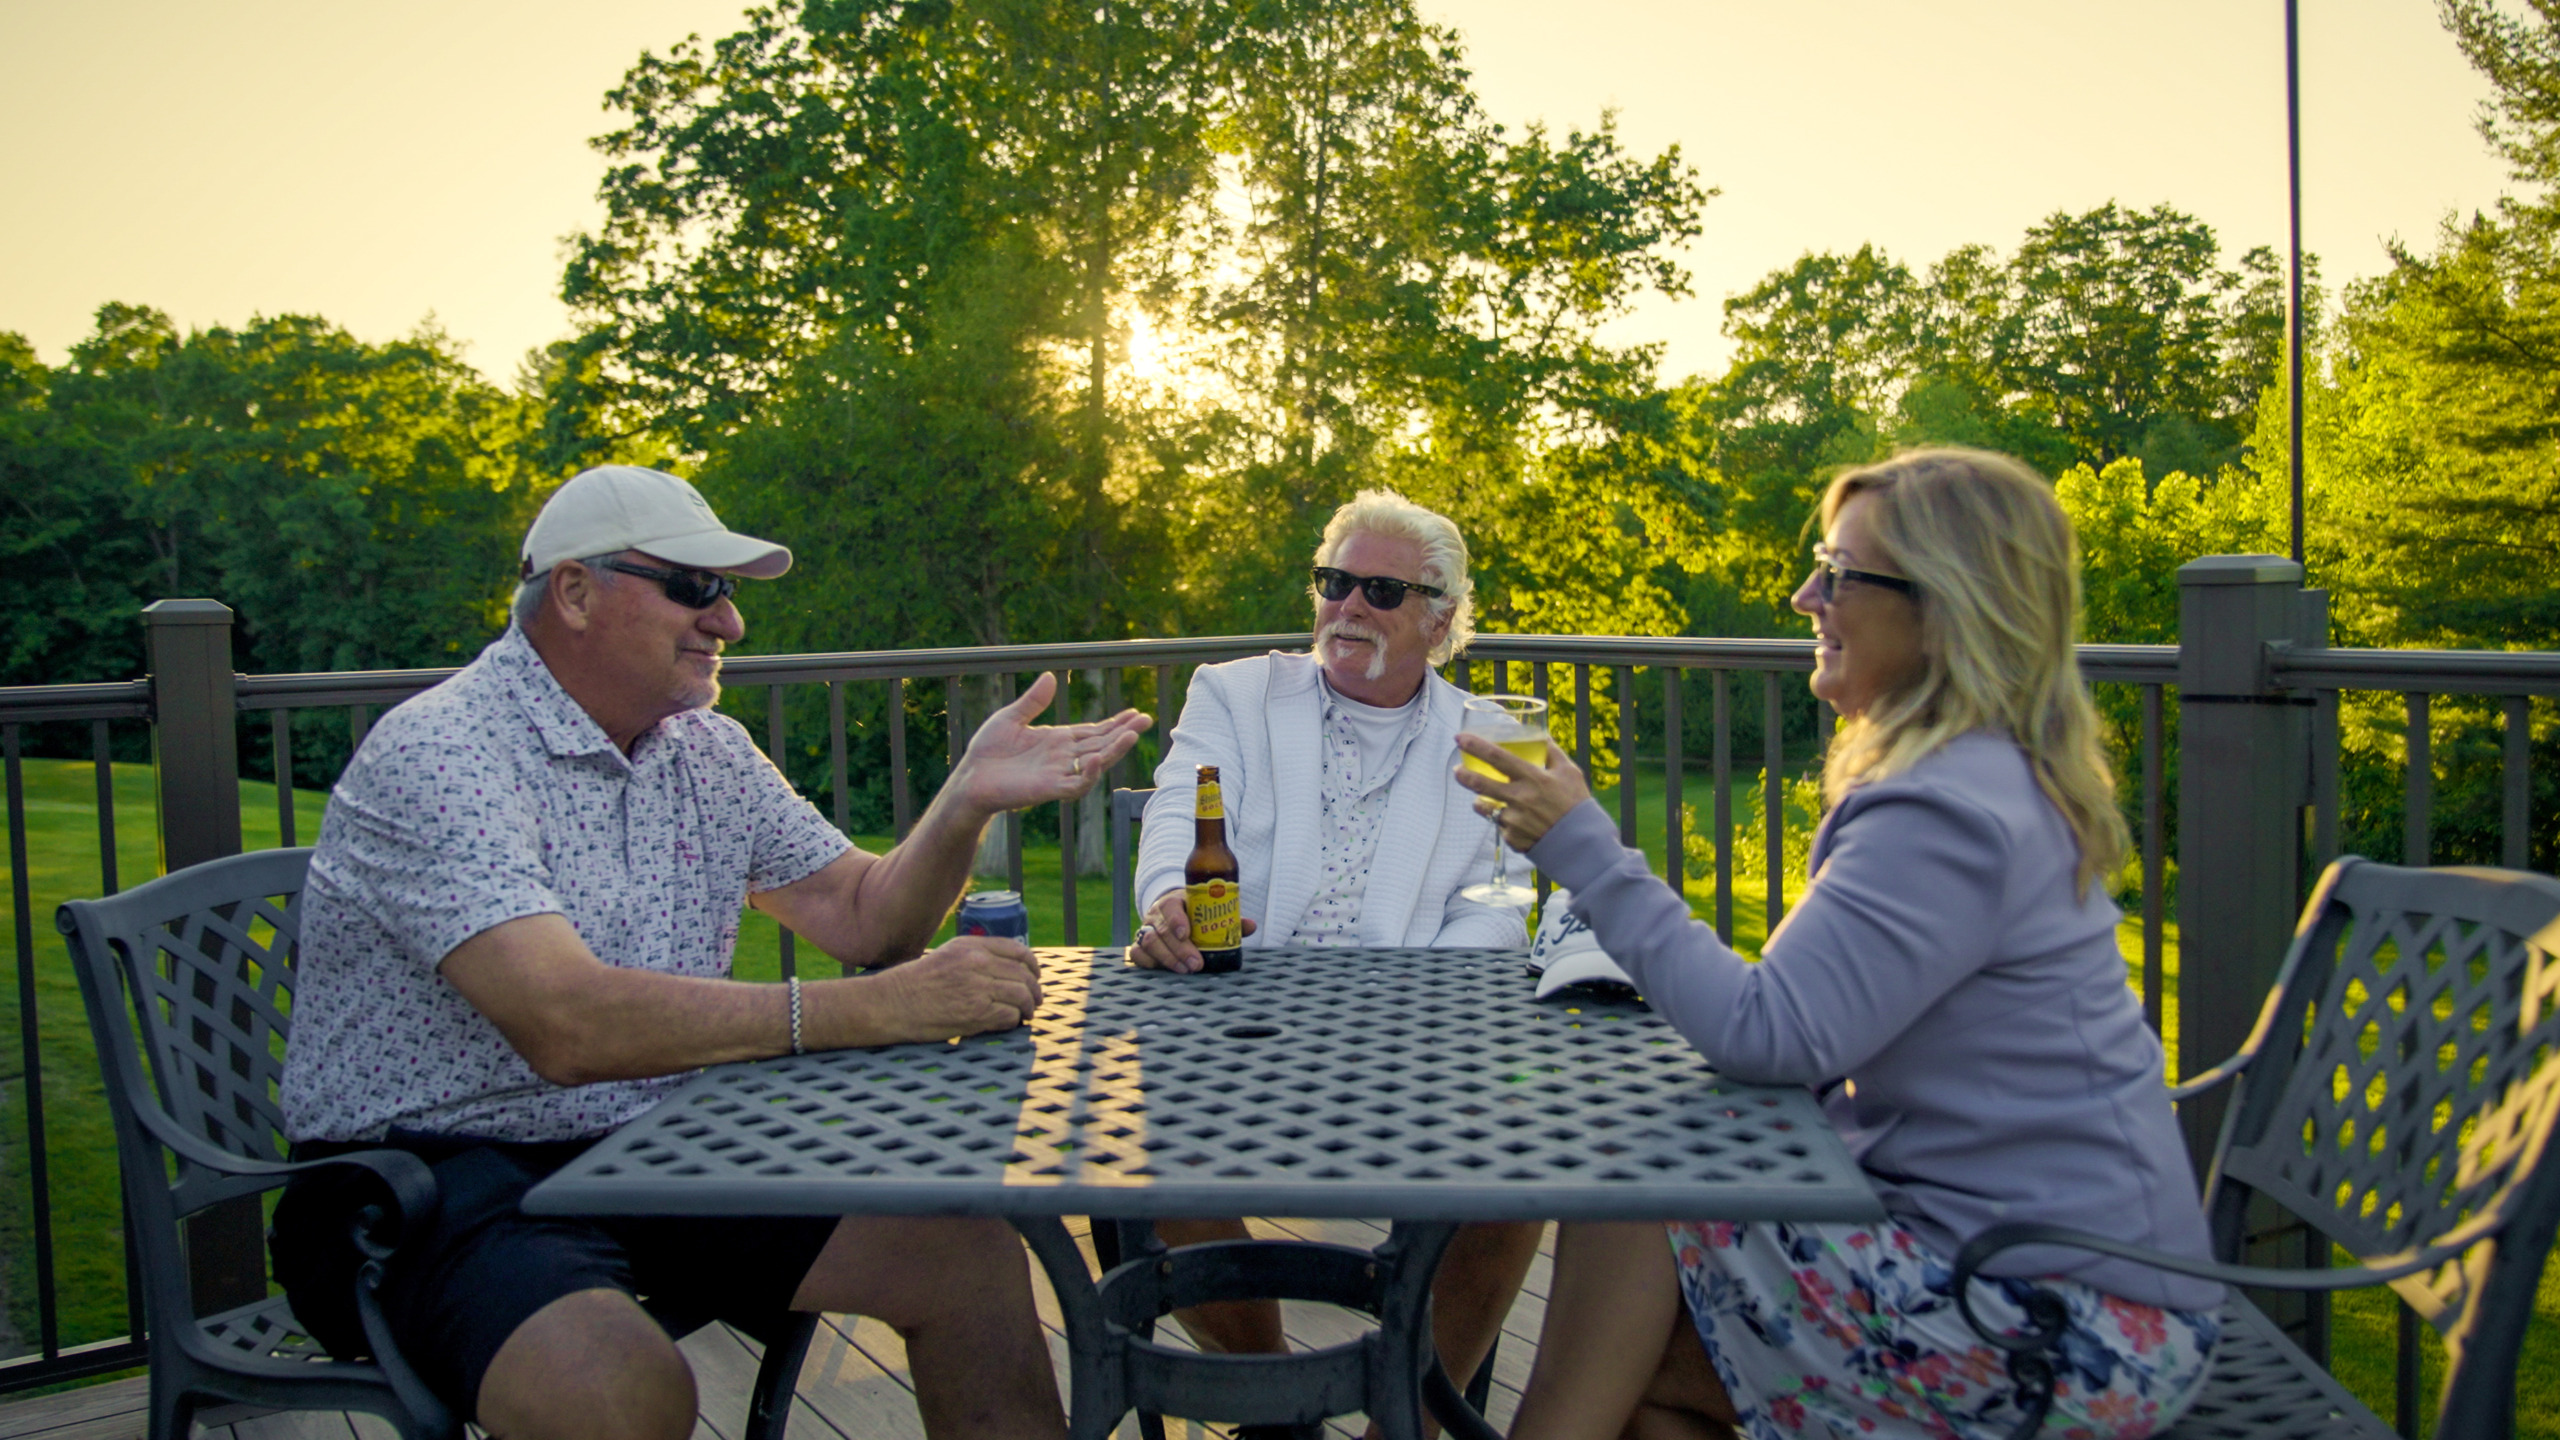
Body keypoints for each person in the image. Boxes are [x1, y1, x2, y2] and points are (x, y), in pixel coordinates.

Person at [270, 464, 1149, 1440]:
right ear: (575, 592)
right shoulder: (442, 753)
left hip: (646, 1146)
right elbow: (564, 1024)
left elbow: (867, 917)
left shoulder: (703, 749)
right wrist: (882, 1008)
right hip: (420, 1182)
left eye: (725, 591)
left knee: (960, 1253)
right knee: (618, 1391)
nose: (727, 621)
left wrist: (965, 801)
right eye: (694, 587)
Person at [1457, 449, 2224, 1440]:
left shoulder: (1947, 812)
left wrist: (1585, 848)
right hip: (2036, 1271)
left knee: (1641, 1177)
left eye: (1839, 573)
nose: (1805, 596)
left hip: (2065, 1322)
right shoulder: (1974, 776)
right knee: (1647, 1363)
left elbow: (1765, 1034)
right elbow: (1807, 1020)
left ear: (1943, 609)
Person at [1125, 487, 1538, 1418]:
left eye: (1381, 592)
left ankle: (1410, 1420)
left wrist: (1416, 996)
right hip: (1238, 1026)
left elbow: (1501, 903)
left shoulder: (1494, 735)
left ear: (1439, 621)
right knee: (1141, 1139)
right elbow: (1178, 813)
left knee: (1519, 1173)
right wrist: (1169, 901)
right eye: (1334, 582)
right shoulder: (1234, 693)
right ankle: (1272, 1405)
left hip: (1416, 1044)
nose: (1348, 606)